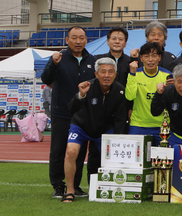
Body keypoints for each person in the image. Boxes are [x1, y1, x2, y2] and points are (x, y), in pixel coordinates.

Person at [41, 26, 97, 198]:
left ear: (86, 39)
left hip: (83, 115)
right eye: (74, 38)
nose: (78, 41)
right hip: (61, 113)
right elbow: (45, 79)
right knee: (58, 151)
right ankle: (58, 186)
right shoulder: (59, 58)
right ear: (67, 40)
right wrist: (53, 63)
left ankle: (76, 186)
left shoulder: (92, 60)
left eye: (81, 38)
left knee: (79, 152)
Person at [61, 58, 127, 202]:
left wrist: (117, 141)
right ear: (96, 74)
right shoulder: (87, 86)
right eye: (103, 71)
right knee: (71, 152)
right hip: (81, 126)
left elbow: (120, 119)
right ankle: (70, 191)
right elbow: (71, 108)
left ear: (115, 74)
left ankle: (108, 189)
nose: (107, 75)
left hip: (104, 130)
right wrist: (81, 95)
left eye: (110, 71)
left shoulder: (120, 91)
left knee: (111, 158)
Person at [126, 42, 172, 145]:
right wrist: (132, 74)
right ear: (141, 58)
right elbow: (130, 96)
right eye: (146, 56)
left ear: (159, 57)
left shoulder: (167, 75)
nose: (150, 60)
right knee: (136, 159)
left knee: (162, 159)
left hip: (162, 126)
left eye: (154, 55)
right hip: (138, 125)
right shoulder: (135, 74)